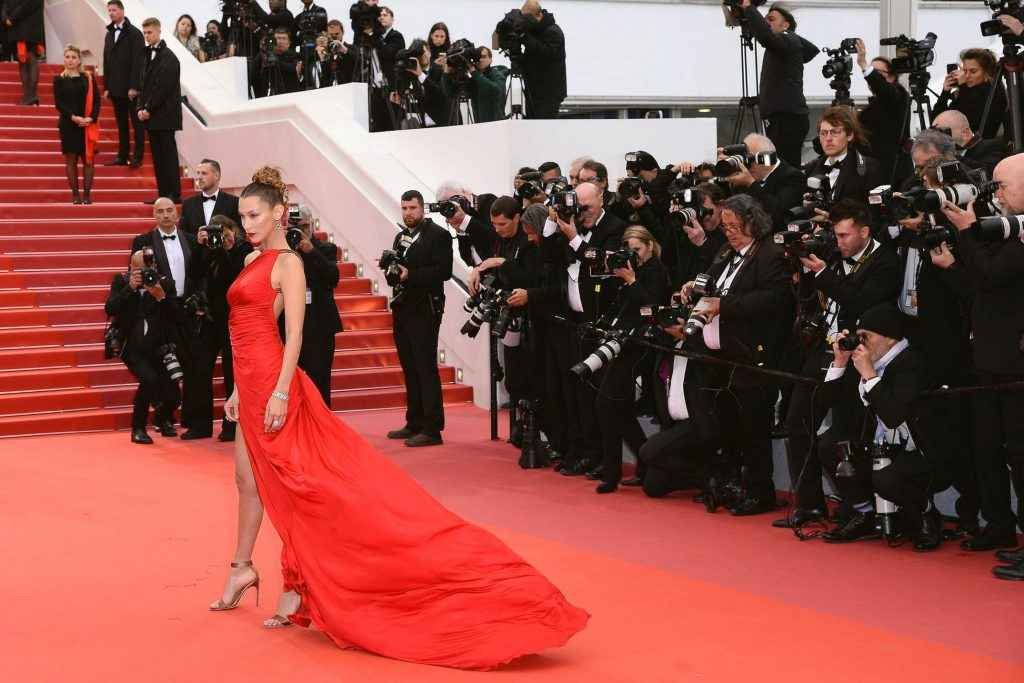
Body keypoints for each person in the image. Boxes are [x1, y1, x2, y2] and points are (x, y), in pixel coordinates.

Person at [210, 167, 589, 666]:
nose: (247, 223)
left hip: (276, 387)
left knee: (300, 489)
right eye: (243, 216)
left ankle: (299, 584)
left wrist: (280, 390)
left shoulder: (287, 264)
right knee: (247, 480)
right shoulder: (251, 258)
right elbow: (248, 327)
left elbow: (293, 336)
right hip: (252, 383)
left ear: (279, 213)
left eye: (254, 214)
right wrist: (238, 388)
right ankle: (243, 568)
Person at [774, 200, 900, 529]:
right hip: (822, 352)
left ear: (865, 232)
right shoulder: (831, 254)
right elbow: (808, 298)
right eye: (836, 235)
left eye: (845, 236)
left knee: (843, 435)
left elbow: (859, 301)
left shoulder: (885, 261)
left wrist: (822, 274)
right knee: (798, 422)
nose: (839, 241)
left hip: (858, 358)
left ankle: (858, 506)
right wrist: (804, 270)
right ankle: (810, 505)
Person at [681, 194, 795, 515]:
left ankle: (761, 491)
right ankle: (735, 484)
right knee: (730, 425)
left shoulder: (771, 254)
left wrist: (723, 305)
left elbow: (775, 300)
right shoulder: (727, 252)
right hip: (724, 356)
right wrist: (695, 286)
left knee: (754, 428)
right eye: (726, 225)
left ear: (752, 222)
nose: (728, 231)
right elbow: (714, 283)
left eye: (734, 226)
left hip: (754, 354)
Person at [942, 153, 1024, 563]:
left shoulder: (1020, 234)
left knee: (1020, 455)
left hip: (1014, 363)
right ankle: (998, 526)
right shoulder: (1004, 229)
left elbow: (994, 274)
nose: (996, 195)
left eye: (1003, 186)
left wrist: (968, 232)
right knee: (987, 447)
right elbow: (979, 281)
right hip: (987, 355)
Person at [816, 306, 943, 549]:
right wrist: (840, 363)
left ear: (890, 338)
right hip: (877, 445)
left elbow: (894, 416)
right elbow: (824, 404)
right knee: (829, 444)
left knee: (886, 479)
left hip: (918, 451)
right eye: (858, 336)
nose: (860, 343)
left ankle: (926, 514)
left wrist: (869, 374)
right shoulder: (865, 359)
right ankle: (863, 513)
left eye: (867, 337)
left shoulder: (911, 362)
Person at [541, 182, 628, 476]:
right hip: (574, 323)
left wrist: (576, 238)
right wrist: (553, 222)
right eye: (580, 208)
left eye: (588, 207)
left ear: (602, 199)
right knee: (575, 392)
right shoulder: (571, 225)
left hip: (603, 324)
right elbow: (548, 256)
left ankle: (604, 456)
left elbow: (603, 261)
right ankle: (582, 452)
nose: (584, 213)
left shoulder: (616, 227)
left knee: (599, 395)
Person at [593, 226, 671, 493]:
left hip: (642, 347)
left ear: (650, 246)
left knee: (608, 404)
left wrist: (630, 280)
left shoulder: (657, 271)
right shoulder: (629, 269)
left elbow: (650, 307)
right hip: (622, 342)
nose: (633, 255)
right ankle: (638, 463)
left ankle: (617, 470)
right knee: (618, 409)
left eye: (637, 249)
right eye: (629, 249)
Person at [384, 190, 452, 447]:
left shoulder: (439, 235)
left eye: (412, 208)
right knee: (409, 367)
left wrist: (409, 275)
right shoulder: (400, 236)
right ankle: (414, 421)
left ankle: (432, 428)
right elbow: (398, 270)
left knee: (425, 367)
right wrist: (391, 269)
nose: (408, 213)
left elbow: (443, 271)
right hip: (402, 306)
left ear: (422, 208)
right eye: (404, 208)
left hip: (426, 308)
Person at [105, 249, 182, 444]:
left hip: (160, 346)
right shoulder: (121, 281)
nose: (144, 272)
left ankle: (162, 418)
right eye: (138, 269)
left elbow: (176, 316)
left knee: (174, 396)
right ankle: (138, 428)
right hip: (132, 347)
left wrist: (161, 297)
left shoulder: (164, 283)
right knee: (149, 380)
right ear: (131, 268)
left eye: (148, 267)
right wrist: (129, 288)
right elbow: (110, 308)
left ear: (154, 266)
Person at [187, 216, 252, 442]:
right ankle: (200, 425)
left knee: (231, 372)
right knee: (200, 369)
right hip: (209, 318)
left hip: (234, 318)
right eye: (216, 232)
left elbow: (237, 278)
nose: (219, 237)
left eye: (224, 232)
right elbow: (193, 274)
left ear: (233, 230)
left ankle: (231, 425)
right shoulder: (207, 249)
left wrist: (228, 249)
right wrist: (199, 246)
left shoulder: (244, 250)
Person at [277, 207, 342, 406]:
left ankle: (322, 428)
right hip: (289, 327)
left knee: (320, 380)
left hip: (319, 327)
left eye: (304, 226)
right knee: (288, 381)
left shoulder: (325, 249)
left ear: (312, 225)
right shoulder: (282, 253)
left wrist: (311, 251)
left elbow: (333, 277)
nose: (300, 231)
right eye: (295, 227)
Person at [740, 1, 819, 166]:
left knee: (785, 169)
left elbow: (765, 37)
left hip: (787, 120)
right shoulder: (783, 46)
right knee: (780, 168)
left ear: (786, 25)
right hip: (782, 118)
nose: (766, 23)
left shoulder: (788, 38)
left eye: (771, 19)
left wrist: (748, 7)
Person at [137, 18, 183, 204]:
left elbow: (164, 88)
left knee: (168, 156)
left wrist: (148, 108)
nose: (147, 36)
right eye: (145, 33)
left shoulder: (170, 57)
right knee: (157, 157)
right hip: (152, 116)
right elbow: (143, 84)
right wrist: (141, 107)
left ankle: (174, 194)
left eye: (150, 32)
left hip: (165, 115)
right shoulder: (146, 54)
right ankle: (163, 194)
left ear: (159, 31)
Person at [722, 133, 806, 232]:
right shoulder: (745, 178)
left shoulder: (792, 177)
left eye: (750, 159)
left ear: (767, 159)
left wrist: (751, 184)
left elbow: (778, 213)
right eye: (744, 159)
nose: (746, 165)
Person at [854, 40, 911, 184]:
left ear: (892, 76)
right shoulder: (876, 101)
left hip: (891, 171)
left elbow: (884, 90)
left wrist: (863, 64)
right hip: (873, 169)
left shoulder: (898, 94)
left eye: (878, 73)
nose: (873, 78)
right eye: (872, 72)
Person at [802, 106, 882, 206]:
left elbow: (874, 213)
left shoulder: (868, 168)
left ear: (849, 135)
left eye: (834, 132)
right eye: (823, 133)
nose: (828, 138)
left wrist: (833, 217)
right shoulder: (811, 168)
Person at [53, 45, 101, 205]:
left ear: (79, 59)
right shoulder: (59, 79)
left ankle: (87, 195)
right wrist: (74, 117)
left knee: (88, 161)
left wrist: (90, 118)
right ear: (64, 59)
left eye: (74, 57)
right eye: (67, 57)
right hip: (68, 125)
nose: (70, 60)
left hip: (87, 125)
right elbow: (59, 103)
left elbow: (97, 101)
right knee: (71, 161)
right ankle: (75, 195)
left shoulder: (88, 77)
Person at [103, 0, 146, 168]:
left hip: (131, 89)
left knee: (137, 124)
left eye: (114, 10)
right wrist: (106, 86)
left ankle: (138, 156)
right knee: (121, 124)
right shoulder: (109, 34)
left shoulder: (135, 33)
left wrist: (134, 86)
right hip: (115, 88)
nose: (111, 13)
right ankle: (122, 156)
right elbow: (106, 61)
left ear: (122, 10)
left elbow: (139, 62)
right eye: (109, 11)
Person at [933, 48, 1006, 140]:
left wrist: (963, 87)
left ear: (987, 73)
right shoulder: (967, 90)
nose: (967, 76)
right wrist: (945, 93)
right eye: (965, 71)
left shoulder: (993, 93)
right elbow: (937, 123)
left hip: (981, 147)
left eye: (973, 71)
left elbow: (967, 121)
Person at [519, 0, 566, 119]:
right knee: (533, 130)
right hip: (534, 91)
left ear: (538, 15)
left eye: (527, 18)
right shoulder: (535, 32)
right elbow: (532, 58)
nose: (525, 22)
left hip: (548, 94)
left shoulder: (553, 31)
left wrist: (525, 37)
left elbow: (546, 53)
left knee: (544, 131)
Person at [932, 109, 1008, 178]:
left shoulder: (992, 146)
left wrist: (950, 155)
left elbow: (986, 174)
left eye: (942, 133)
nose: (938, 139)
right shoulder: (939, 157)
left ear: (965, 133)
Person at [180, 159, 242, 236]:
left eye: (204, 173)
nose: (199, 177)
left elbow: (239, 233)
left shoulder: (234, 202)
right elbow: (183, 235)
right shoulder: (188, 204)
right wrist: (197, 240)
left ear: (216, 176)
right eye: (198, 173)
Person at [2, 0, 44, 106]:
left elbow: (29, 5)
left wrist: (12, 19)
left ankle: (32, 96)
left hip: (28, 28)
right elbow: (5, 4)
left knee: (30, 58)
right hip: (16, 28)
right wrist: (4, 18)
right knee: (22, 61)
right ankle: (27, 96)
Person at [466, 46, 508, 123]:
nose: (481, 60)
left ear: (490, 59)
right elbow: (452, 93)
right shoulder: (474, 79)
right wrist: (447, 73)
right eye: (478, 57)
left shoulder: (497, 74)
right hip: (479, 126)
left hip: (497, 125)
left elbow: (496, 90)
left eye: (484, 57)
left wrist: (474, 73)